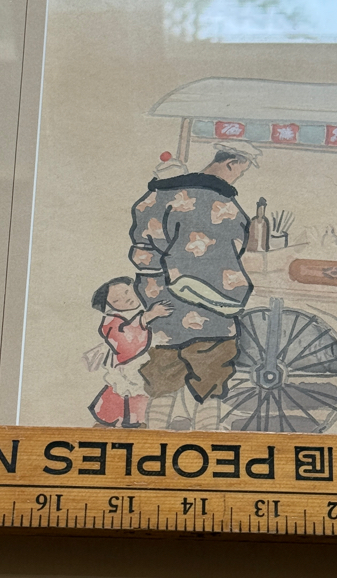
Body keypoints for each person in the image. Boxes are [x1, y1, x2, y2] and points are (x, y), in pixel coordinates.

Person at [128, 142, 258, 430]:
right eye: (240, 172)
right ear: (231, 163)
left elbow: (140, 248)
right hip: (207, 299)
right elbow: (233, 244)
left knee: (163, 368)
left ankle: (155, 432)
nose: (237, 178)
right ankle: (206, 432)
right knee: (212, 368)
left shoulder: (151, 198)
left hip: (158, 296)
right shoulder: (216, 200)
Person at [88, 277, 172, 428]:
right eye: (117, 300)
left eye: (127, 292)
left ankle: (139, 423)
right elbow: (127, 345)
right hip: (127, 366)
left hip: (150, 363)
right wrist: (147, 317)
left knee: (142, 397)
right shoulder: (110, 321)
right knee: (122, 394)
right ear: (109, 305)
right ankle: (107, 422)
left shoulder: (147, 304)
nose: (126, 299)